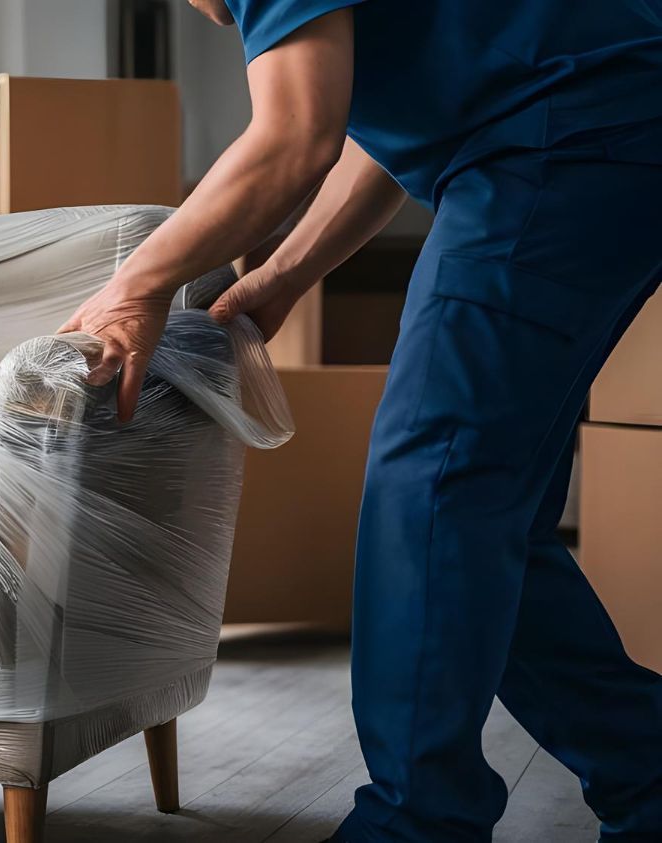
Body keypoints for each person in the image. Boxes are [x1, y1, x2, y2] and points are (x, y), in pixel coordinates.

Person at [62, 1, 662, 840]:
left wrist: (134, 286)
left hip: (562, 134)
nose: (211, 17)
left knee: (434, 485)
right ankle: (651, 779)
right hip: (585, 122)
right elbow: (381, 124)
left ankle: (417, 823)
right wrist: (279, 277)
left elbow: (294, 134)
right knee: (489, 522)